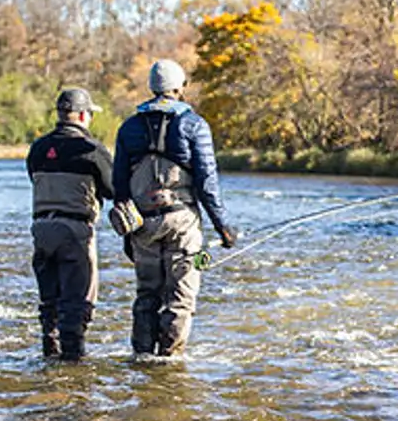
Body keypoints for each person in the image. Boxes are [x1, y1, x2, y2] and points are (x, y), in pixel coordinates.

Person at [111, 58, 239, 357]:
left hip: (141, 222)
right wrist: (223, 227)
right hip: (183, 222)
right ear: (181, 87)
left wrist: (127, 234)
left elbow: (119, 184)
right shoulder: (194, 124)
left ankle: (142, 358)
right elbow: (207, 181)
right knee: (181, 295)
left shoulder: (128, 127)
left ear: (151, 87)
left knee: (146, 294)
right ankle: (170, 360)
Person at [26, 87, 114, 361]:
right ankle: (73, 366)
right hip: (75, 231)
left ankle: (49, 358)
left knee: (49, 303)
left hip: (41, 230)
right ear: (83, 115)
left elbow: (33, 177)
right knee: (76, 304)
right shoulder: (92, 150)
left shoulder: (38, 148)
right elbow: (114, 189)